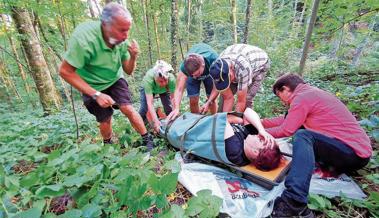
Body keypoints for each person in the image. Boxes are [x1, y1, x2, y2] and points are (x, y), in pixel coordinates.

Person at [262, 73, 372, 218]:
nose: (282, 102)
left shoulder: (302, 98)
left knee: (303, 135)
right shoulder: (310, 94)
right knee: (303, 131)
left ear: (285, 89)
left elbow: (286, 129)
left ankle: (293, 201)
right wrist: (257, 122)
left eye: (279, 95)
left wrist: (259, 134)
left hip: (353, 153)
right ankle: (316, 168)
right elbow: (285, 120)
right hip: (347, 150)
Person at [59, 3, 154, 150]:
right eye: (121, 30)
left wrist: (133, 57)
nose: (126, 36)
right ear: (105, 25)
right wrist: (96, 94)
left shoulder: (123, 42)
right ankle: (108, 146)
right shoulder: (84, 39)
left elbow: (128, 70)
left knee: (127, 108)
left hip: (115, 78)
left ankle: (147, 139)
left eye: (127, 30)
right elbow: (65, 71)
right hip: (91, 84)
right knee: (105, 119)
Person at [207, 44, 270, 113]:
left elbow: (241, 101)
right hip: (237, 62)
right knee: (224, 97)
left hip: (259, 66)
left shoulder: (243, 68)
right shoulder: (217, 68)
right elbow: (227, 98)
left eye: (229, 78)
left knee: (246, 99)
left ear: (231, 68)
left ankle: (245, 122)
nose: (229, 81)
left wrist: (237, 116)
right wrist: (224, 119)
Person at [166, 43, 218, 121]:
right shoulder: (185, 68)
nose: (195, 77)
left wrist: (209, 101)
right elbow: (179, 89)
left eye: (197, 74)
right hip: (192, 73)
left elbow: (217, 86)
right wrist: (176, 108)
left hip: (210, 74)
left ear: (203, 65)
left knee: (212, 100)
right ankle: (196, 123)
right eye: (192, 75)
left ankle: (215, 120)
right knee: (193, 100)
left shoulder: (214, 60)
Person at [139, 60, 175, 133]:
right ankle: (142, 127)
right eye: (161, 81)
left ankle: (172, 124)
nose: (164, 83)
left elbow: (173, 99)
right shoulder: (148, 79)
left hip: (164, 90)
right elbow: (150, 103)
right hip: (148, 89)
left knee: (169, 107)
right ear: (155, 79)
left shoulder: (171, 79)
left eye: (165, 80)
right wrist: (156, 121)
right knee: (143, 109)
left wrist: (174, 114)